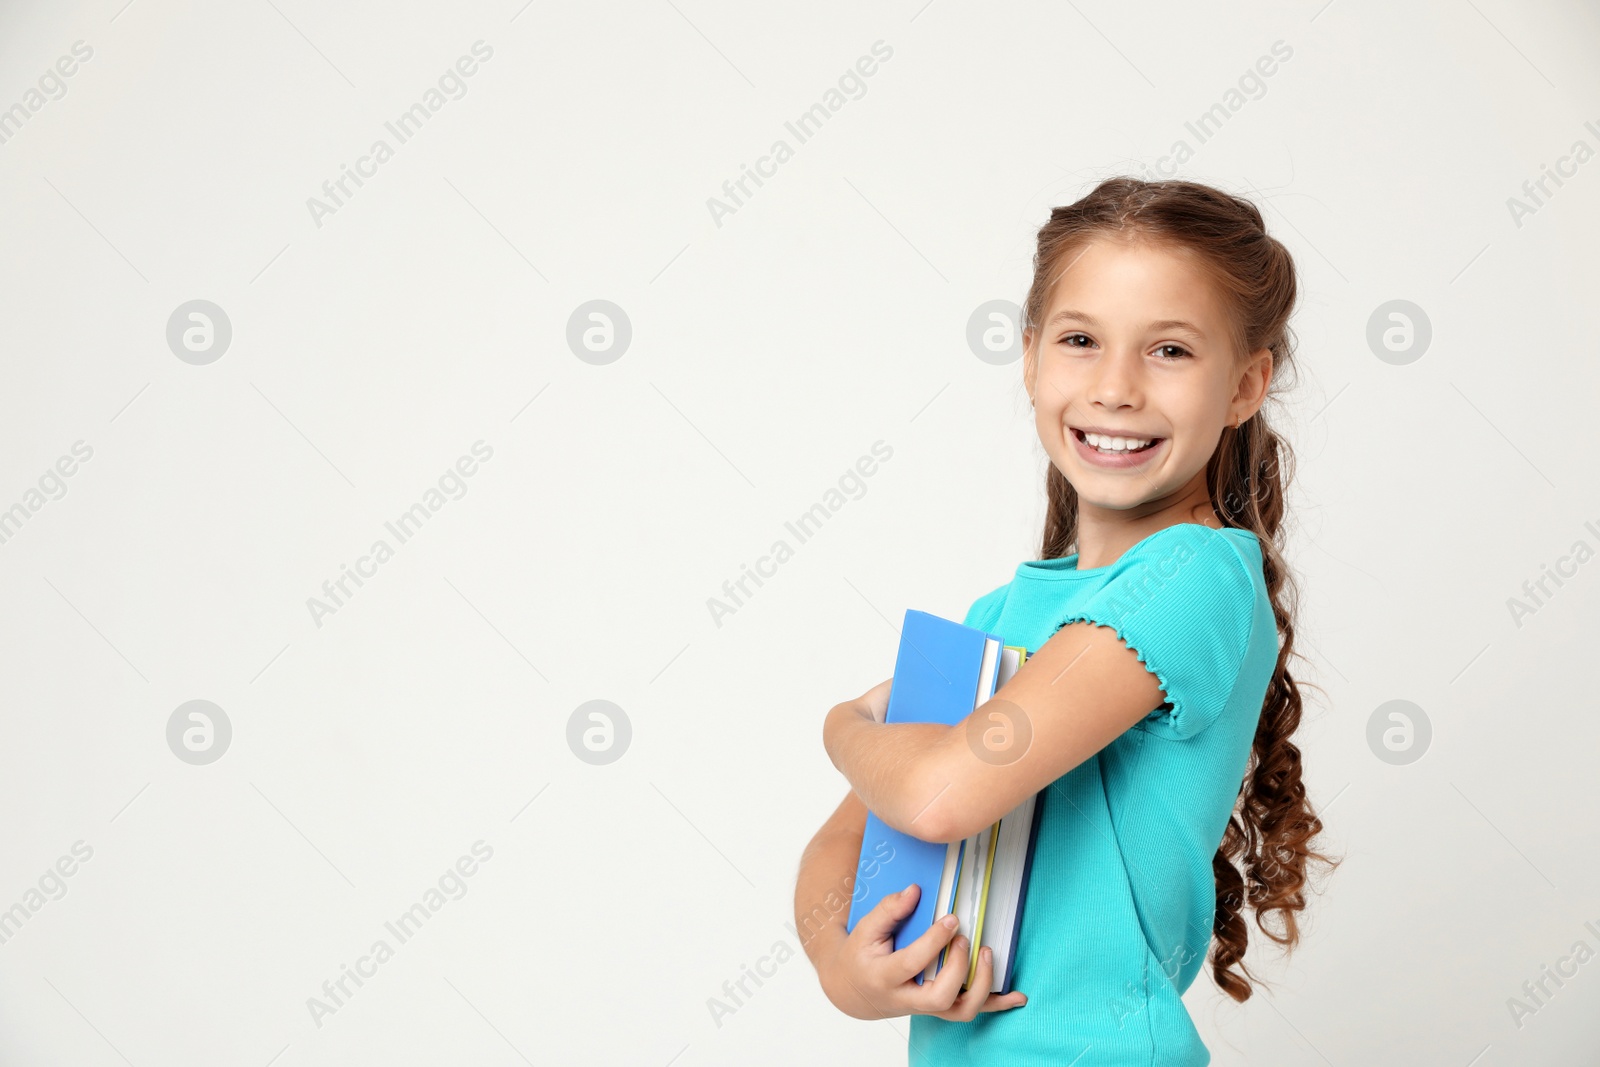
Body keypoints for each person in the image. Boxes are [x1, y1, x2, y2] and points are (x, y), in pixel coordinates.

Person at [795, 177, 1340, 1065]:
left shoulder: (1197, 573)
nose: (1116, 388)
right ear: (1031, 358)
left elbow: (937, 793)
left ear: (1247, 384)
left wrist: (841, 727)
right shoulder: (1001, 612)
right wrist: (840, 965)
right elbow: (844, 841)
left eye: (1169, 350)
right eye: (1082, 340)